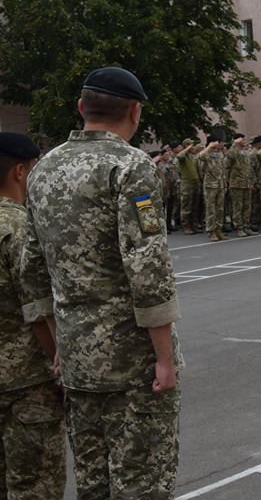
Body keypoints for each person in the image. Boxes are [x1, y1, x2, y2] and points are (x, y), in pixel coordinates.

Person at [20, 67, 182, 499]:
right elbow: (147, 265)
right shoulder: (131, 166)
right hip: (132, 359)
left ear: (80, 108)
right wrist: (164, 359)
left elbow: (32, 270)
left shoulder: (42, 170)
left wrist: (55, 348)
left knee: (94, 481)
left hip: (75, 356)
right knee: (143, 481)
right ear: (134, 110)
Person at [0, 133, 66, 499]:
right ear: (21, 172)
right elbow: (38, 310)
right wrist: (60, 365)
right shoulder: (20, 227)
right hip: (25, 383)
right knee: (34, 486)